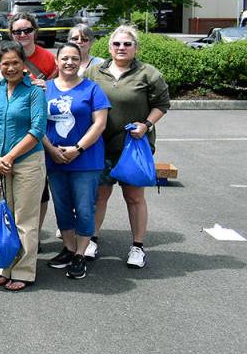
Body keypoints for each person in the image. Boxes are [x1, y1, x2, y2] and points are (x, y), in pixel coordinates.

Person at [85, 25, 170, 268]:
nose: (121, 48)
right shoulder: (94, 72)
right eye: (117, 44)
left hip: (132, 148)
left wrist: (146, 124)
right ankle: (91, 240)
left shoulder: (148, 74)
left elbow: (162, 104)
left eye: (127, 44)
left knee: (134, 197)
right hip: (99, 146)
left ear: (135, 48)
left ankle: (138, 247)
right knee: (99, 196)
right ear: (110, 47)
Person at [0, 41, 47, 292]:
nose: (10, 68)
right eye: (5, 63)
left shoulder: (34, 91)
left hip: (27, 161)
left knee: (24, 218)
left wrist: (10, 156)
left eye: (15, 63)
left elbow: (37, 130)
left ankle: (24, 271)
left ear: (23, 63)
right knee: (3, 215)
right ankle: (4, 267)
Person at [42, 42, 110, 280]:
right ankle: (69, 249)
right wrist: (51, 150)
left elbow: (99, 124)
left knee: (83, 207)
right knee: (61, 206)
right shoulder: (45, 89)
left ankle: (81, 253)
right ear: (57, 61)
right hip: (54, 159)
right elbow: (37, 124)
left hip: (85, 160)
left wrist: (78, 149)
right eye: (64, 58)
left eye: (74, 58)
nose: (69, 62)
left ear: (80, 61)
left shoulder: (92, 89)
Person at [0, 13, 57, 82]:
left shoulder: (49, 58)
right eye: (17, 32)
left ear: (35, 31)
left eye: (28, 30)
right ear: (11, 34)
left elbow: (57, 87)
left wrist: (47, 85)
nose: (23, 35)